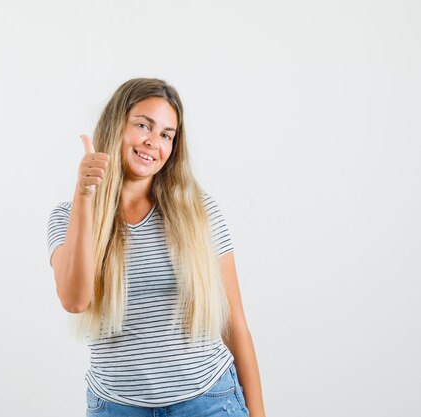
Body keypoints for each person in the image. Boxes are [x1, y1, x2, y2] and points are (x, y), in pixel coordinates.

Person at [47, 78, 266, 417]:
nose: (153, 142)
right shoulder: (68, 216)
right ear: (116, 124)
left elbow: (234, 323)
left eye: (166, 134)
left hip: (209, 402)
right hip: (116, 408)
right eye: (143, 125)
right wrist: (84, 195)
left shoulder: (199, 211)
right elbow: (75, 300)